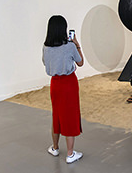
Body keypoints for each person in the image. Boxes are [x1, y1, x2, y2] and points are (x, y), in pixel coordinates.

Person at [42, 15, 84, 164]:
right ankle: (70, 154)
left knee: (57, 115)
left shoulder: (45, 47)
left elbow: (45, 63)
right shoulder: (69, 46)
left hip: (55, 84)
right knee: (69, 116)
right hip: (68, 83)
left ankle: (55, 147)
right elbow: (80, 63)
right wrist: (77, 44)